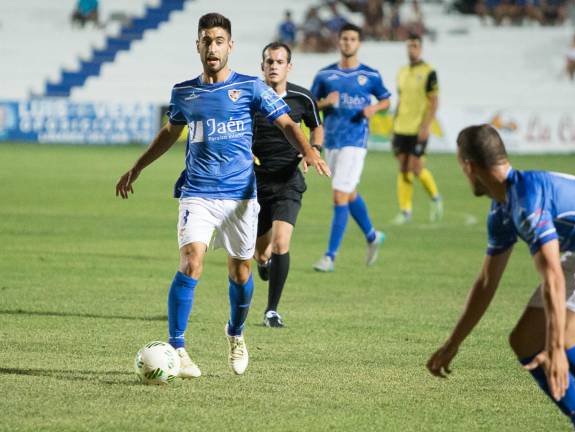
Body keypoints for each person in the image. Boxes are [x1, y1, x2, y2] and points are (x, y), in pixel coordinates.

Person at [115, 13, 330, 377]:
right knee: (190, 262)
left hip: (241, 197)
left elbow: (289, 124)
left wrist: (309, 150)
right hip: (197, 192)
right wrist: (137, 167)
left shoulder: (250, 88)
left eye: (218, 41)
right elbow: (170, 132)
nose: (212, 47)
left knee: (241, 272)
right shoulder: (184, 92)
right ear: (197, 45)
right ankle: (178, 348)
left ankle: (236, 333)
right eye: (205, 40)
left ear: (230, 46)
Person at [427, 124, 575, 432]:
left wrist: (557, 349)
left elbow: (552, 276)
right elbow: (486, 282)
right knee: (524, 340)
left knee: (562, 339)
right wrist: (453, 343)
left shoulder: (527, 203)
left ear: (469, 167)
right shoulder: (503, 209)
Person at [252, 42, 324, 328]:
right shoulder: (251, 97)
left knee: (281, 243)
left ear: (288, 67)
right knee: (261, 251)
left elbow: (316, 125)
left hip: (289, 180)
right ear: (262, 66)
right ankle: (263, 262)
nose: (273, 66)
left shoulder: (302, 98)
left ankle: (271, 310)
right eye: (269, 61)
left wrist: (314, 149)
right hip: (257, 181)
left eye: (279, 61)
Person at [310, 23, 391, 273]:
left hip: (356, 142)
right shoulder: (325, 75)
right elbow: (310, 105)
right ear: (339, 41)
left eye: (353, 39)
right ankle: (371, 235)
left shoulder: (371, 75)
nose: (348, 42)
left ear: (359, 43)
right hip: (332, 141)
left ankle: (329, 256)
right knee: (349, 192)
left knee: (339, 195)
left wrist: (374, 108)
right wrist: (326, 103)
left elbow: (386, 100)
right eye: (344, 38)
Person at [391, 34, 443, 225]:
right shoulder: (402, 72)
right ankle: (405, 211)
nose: (411, 49)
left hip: (418, 128)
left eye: (414, 46)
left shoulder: (429, 72)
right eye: (408, 46)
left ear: (420, 48)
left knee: (416, 167)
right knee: (403, 168)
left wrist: (426, 126)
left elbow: (434, 101)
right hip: (401, 127)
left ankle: (436, 198)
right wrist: (394, 125)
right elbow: (400, 100)